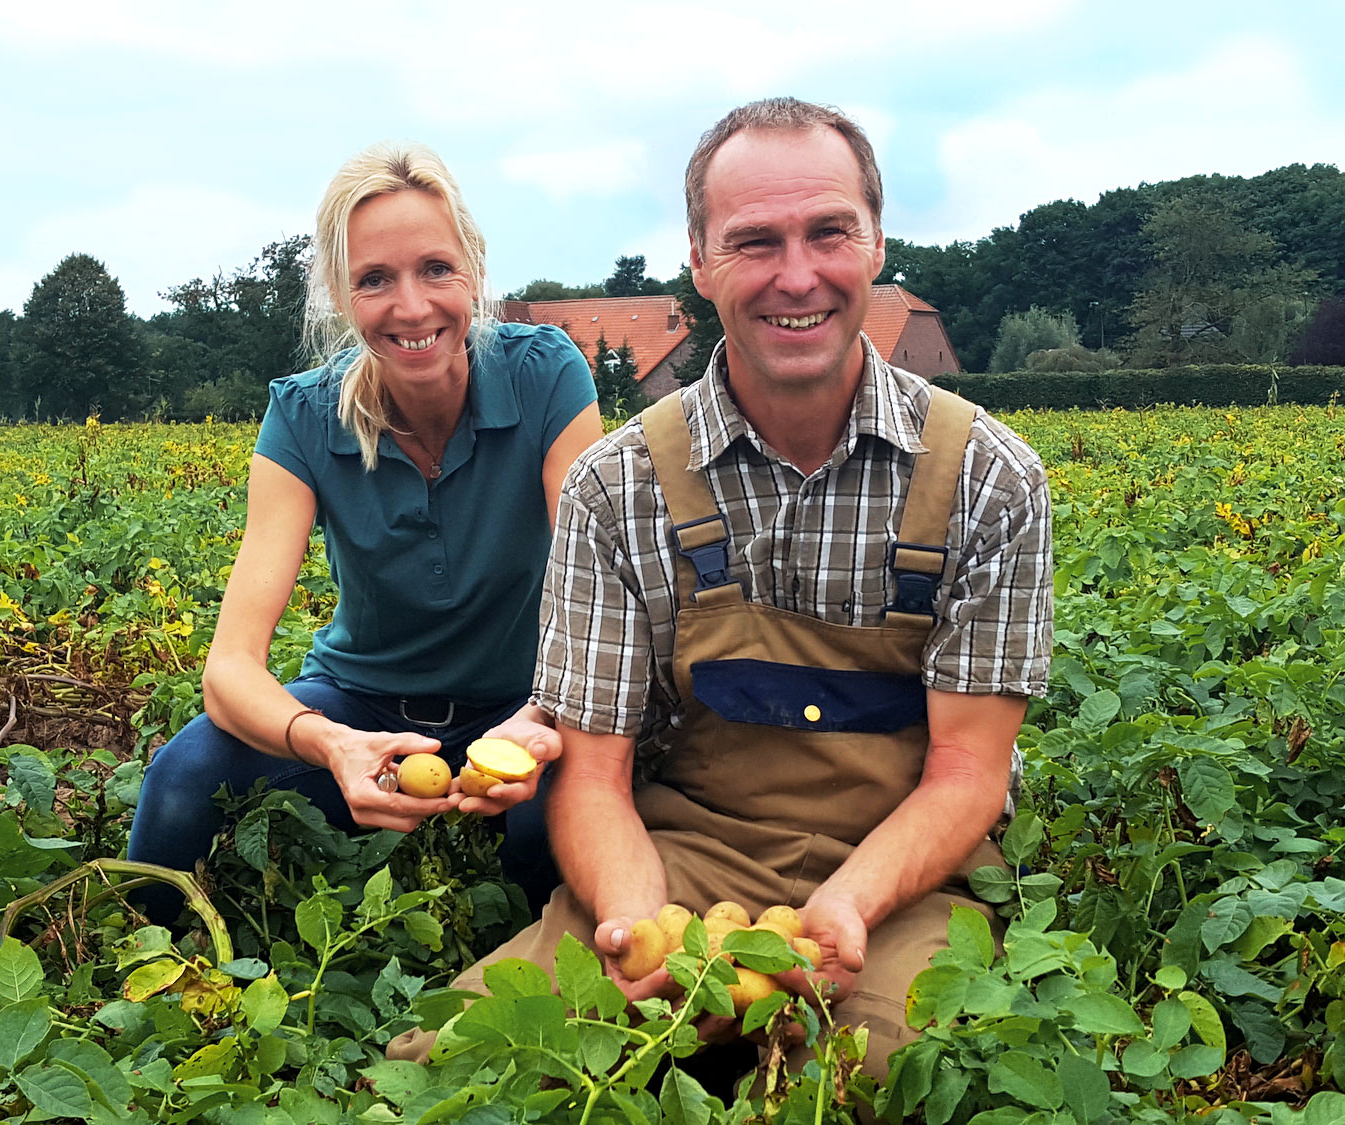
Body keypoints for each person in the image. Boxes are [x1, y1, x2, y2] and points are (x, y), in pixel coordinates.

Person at [392, 98, 1053, 1079]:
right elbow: (596, 774)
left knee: (878, 1075)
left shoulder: (987, 478)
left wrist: (847, 908)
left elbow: (965, 774)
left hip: (900, 882)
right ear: (700, 263)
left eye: (828, 231)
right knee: (460, 1065)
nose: (798, 274)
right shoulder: (617, 485)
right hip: (675, 859)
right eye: (754, 242)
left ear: (874, 242)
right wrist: (631, 923)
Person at [126, 141, 605, 922]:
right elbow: (229, 671)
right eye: (375, 280)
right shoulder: (302, 416)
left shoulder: (545, 374)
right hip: (361, 699)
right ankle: (135, 968)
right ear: (342, 299)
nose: (411, 307)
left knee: (547, 824)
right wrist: (331, 743)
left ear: (475, 275)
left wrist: (543, 716)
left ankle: (527, 988)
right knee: (182, 778)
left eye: (436, 269)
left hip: (526, 700)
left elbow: (596, 602)